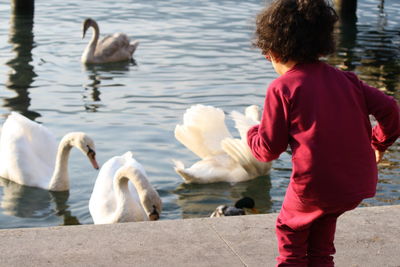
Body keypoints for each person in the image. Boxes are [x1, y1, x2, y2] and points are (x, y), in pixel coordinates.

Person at [246, 0, 400, 266]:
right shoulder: (348, 79)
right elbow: (392, 112)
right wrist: (377, 143)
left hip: (315, 186)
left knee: (290, 231)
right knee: (321, 243)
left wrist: (253, 132)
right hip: (354, 183)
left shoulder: (282, 88)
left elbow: (268, 150)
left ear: (271, 51)